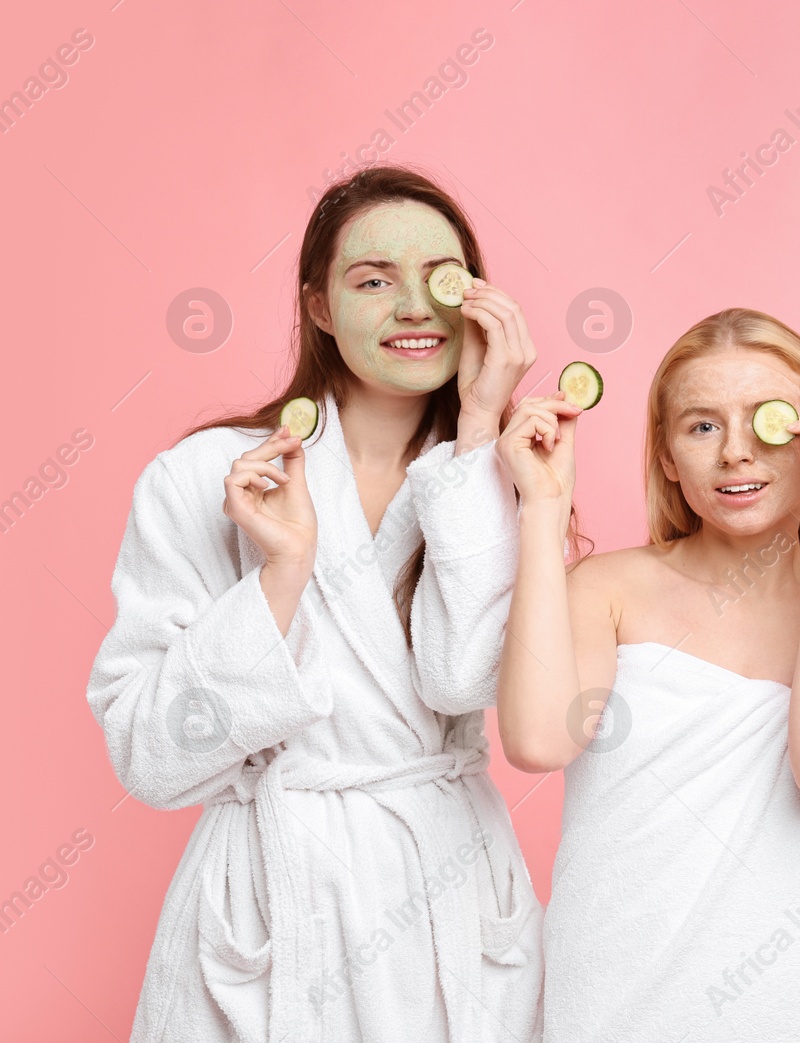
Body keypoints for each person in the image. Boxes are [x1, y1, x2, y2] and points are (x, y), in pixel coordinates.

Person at [86, 165, 552, 1041]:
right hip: (272, 901)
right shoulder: (203, 478)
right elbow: (148, 757)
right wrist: (281, 573)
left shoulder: (516, 478)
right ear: (320, 308)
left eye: (440, 279)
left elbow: (463, 679)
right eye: (374, 280)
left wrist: (481, 431)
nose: (415, 307)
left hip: (446, 893)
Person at [492, 307, 800, 1041]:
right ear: (666, 457)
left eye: (769, 421)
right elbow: (534, 740)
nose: (736, 454)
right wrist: (542, 508)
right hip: (614, 1009)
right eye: (703, 426)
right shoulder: (607, 590)